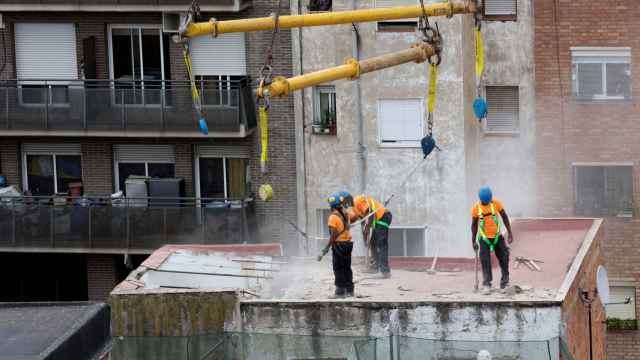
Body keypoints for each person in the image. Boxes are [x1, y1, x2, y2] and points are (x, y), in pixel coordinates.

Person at [471, 186, 514, 294]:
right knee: (485, 260)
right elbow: (474, 226)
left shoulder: (496, 203)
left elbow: (504, 216)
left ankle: (505, 283)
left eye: (489, 200)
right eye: (485, 202)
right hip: (484, 238)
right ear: (481, 200)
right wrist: (473, 241)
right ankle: (487, 284)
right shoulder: (476, 209)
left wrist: (510, 233)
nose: (488, 202)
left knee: (504, 257)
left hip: (497, 237)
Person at [353, 195, 392, 278]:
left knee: (381, 243)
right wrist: (364, 237)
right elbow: (363, 222)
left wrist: (367, 228)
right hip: (378, 220)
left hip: (383, 216)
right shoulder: (356, 211)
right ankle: (375, 267)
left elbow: (370, 212)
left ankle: (385, 271)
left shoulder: (357, 201)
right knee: (373, 243)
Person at [326, 192, 354, 298]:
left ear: (332, 205)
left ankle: (340, 291)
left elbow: (333, 235)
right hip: (348, 244)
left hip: (339, 245)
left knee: (338, 268)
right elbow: (354, 217)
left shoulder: (333, 217)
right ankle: (350, 290)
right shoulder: (346, 214)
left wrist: (326, 248)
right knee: (347, 267)